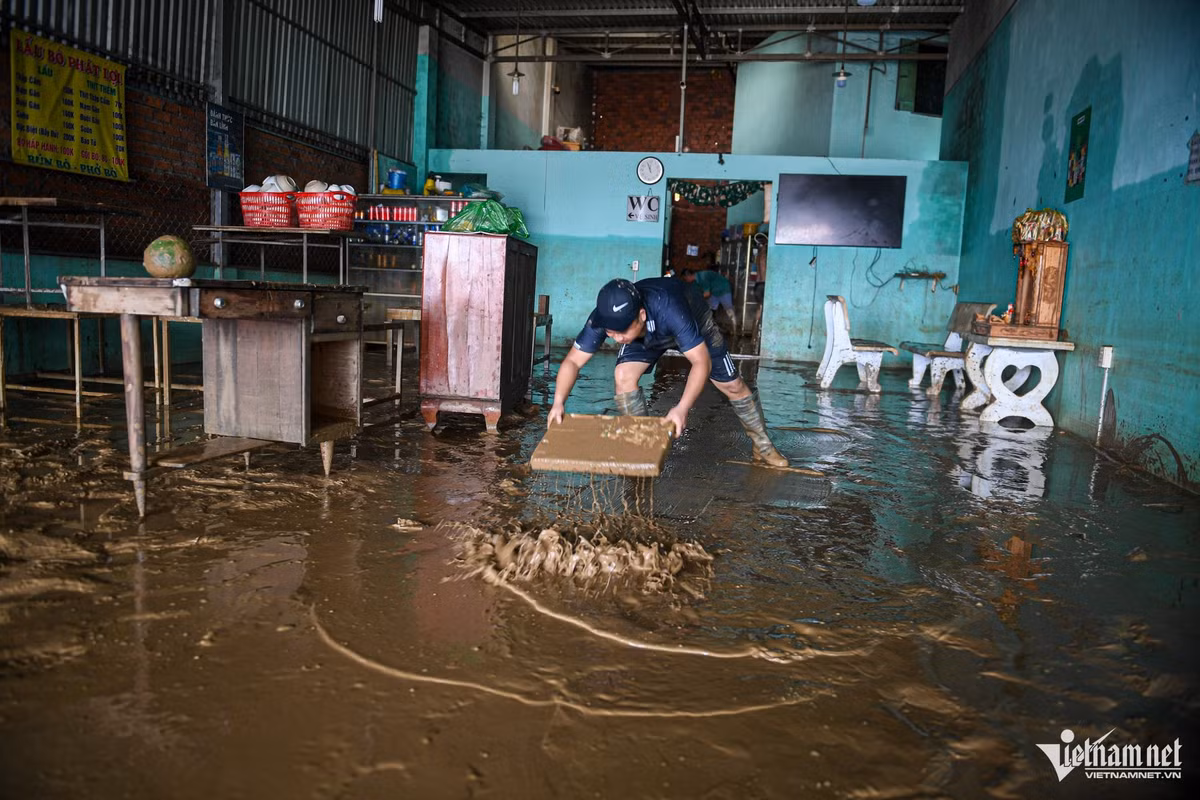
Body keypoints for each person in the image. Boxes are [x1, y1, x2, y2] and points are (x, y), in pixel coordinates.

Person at [546, 277, 787, 466]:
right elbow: (572, 362)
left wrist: (682, 408)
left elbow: (701, 363)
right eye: (611, 333)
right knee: (623, 376)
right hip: (646, 335)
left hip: (693, 320)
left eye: (621, 332)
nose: (617, 339)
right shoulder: (604, 318)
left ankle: (763, 446)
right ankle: (641, 447)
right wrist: (558, 402)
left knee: (732, 385)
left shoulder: (670, 307)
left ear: (640, 315)